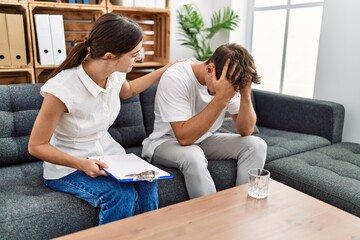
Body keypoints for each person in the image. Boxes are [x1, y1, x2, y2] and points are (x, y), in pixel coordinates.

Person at [28, 13, 176, 224]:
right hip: (69, 165)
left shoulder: (115, 73)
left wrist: (166, 69)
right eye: (134, 54)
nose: (139, 58)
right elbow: (36, 146)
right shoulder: (61, 89)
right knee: (120, 196)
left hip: (107, 154)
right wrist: (82, 164)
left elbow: (128, 91)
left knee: (147, 181)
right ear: (109, 56)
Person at [142, 43, 267, 199]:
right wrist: (222, 98)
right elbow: (184, 137)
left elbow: (246, 130)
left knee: (256, 145)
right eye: (230, 89)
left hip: (204, 138)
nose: (231, 93)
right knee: (193, 154)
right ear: (210, 70)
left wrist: (246, 94)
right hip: (165, 143)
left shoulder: (229, 81)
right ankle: (212, 218)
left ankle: (242, 208)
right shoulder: (176, 77)